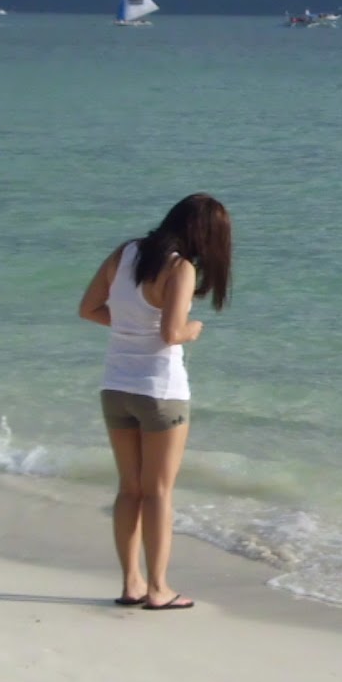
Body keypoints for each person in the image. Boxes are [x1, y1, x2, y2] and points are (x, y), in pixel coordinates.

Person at [78, 193, 233, 611]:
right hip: (160, 391)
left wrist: (128, 325)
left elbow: (88, 309)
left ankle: (132, 583)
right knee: (159, 491)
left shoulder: (125, 252)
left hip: (116, 387)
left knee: (129, 489)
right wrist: (193, 328)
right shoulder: (180, 267)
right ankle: (159, 588)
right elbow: (170, 334)